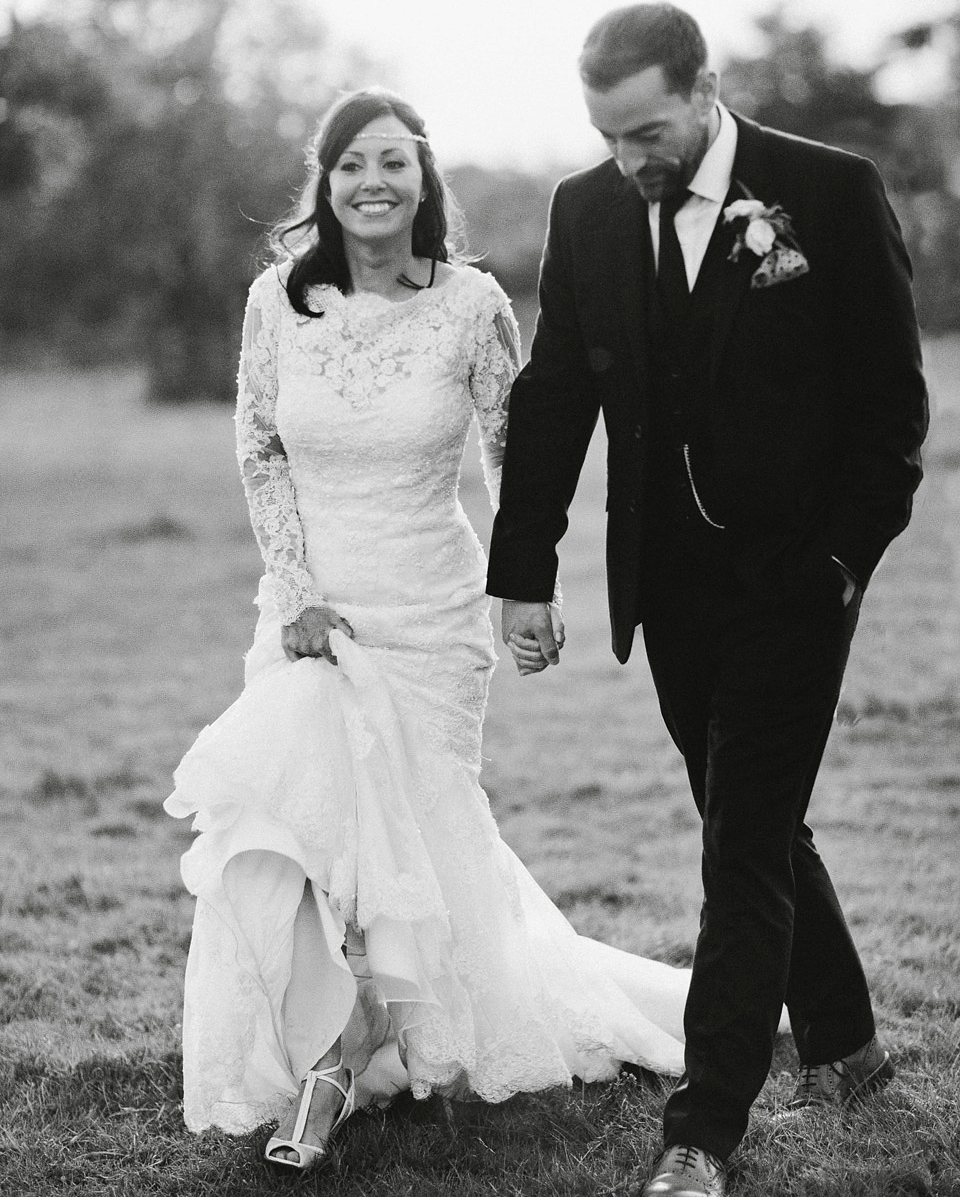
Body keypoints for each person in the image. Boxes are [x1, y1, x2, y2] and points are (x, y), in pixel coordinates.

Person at [164, 88, 695, 1175]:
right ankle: (333, 1048)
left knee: (413, 835)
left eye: (394, 162)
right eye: (352, 162)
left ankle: (364, 1045)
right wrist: (296, 585)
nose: (373, 181)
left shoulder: (472, 306)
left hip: (432, 611)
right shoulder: (279, 301)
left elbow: (516, 460)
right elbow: (260, 450)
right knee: (309, 832)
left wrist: (524, 586)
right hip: (313, 610)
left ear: (423, 178)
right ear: (326, 181)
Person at [486, 4, 928, 1197]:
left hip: (795, 586)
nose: (631, 160)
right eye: (608, 135)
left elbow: (892, 414)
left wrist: (838, 568)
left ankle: (704, 1129)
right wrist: (523, 570)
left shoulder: (827, 192)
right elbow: (555, 396)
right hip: (666, 591)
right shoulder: (584, 211)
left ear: (704, 87)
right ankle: (847, 1048)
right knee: (753, 816)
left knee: (739, 842)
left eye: (647, 131)